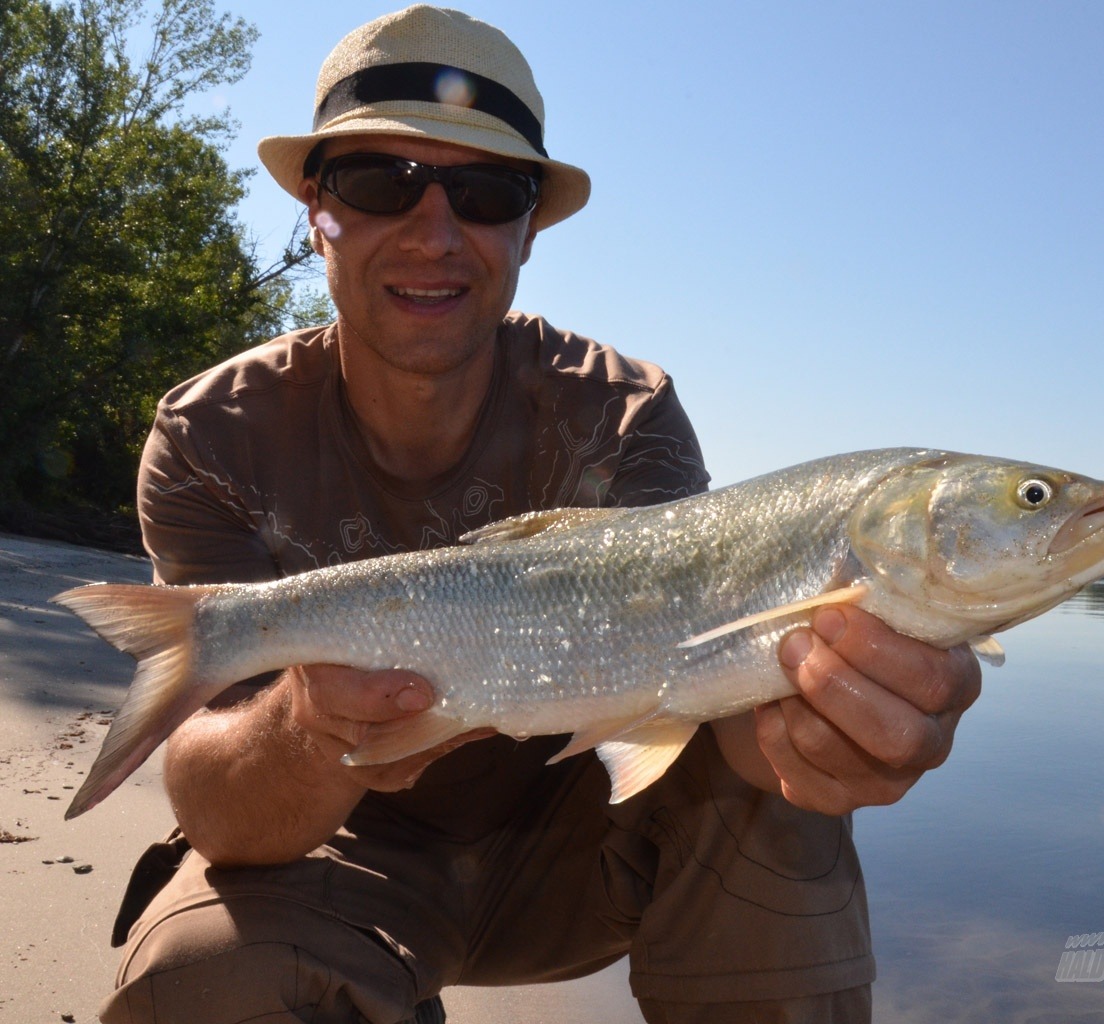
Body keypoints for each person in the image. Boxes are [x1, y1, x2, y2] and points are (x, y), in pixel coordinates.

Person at [99, 6, 981, 1023]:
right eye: (378, 181)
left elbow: (693, 698)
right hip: (336, 855)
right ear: (316, 211)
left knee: (774, 787)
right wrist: (308, 724)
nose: (433, 233)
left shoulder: (622, 411)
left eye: (482, 192)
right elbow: (216, 808)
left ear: (527, 227)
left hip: (586, 843)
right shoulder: (213, 435)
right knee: (202, 984)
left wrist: (816, 734)